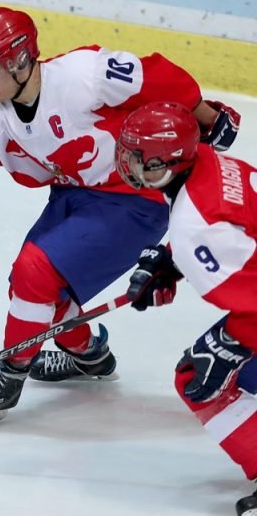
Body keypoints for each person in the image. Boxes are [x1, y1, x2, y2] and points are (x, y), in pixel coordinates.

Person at [0, 7, 241, 424]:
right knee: (30, 289)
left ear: (19, 60)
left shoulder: (83, 75)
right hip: (72, 193)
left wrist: (208, 118)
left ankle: (7, 378)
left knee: (36, 270)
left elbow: (159, 77)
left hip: (134, 196)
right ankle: (89, 355)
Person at [114, 101, 256, 516]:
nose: (126, 163)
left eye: (137, 157)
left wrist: (229, 346)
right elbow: (235, 221)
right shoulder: (210, 161)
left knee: (199, 376)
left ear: (166, 162)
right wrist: (169, 259)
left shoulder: (198, 228)